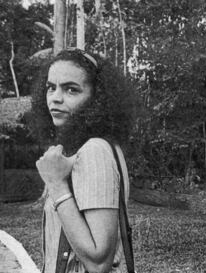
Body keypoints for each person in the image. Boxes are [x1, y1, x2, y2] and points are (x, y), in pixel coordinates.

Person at [31, 48, 135, 273]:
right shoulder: (92, 147)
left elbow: (98, 262)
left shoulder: (94, 151)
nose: (55, 98)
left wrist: (57, 184)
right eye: (51, 87)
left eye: (71, 89)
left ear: (97, 99)